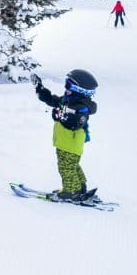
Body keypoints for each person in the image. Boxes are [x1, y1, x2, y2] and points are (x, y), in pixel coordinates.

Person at [30, 70, 99, 201]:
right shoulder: (67, 101)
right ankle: (79, 187)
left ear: (79, 90)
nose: (65, 88)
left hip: (70, 144)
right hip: (65, 142)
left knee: (66, 167)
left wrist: (59, 115)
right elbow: (52, 100)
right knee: (72, 165)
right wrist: (40, 89)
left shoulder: (81, 108)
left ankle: (71, 191)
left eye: (68, 85)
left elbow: (75, 124)